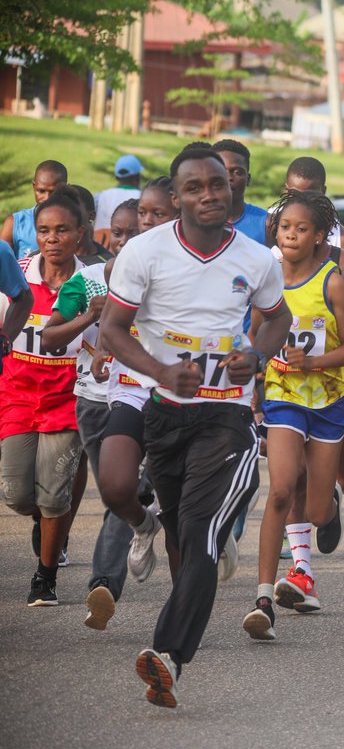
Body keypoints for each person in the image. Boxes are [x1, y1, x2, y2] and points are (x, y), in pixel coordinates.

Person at [103, 146, 291, 707]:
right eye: (195, 188)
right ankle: (182, 623)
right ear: (177, 197)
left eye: (218, 184)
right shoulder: (145, 251)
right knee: (185, 535)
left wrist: (256, 356)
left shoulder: (258, 259)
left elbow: (278, 316)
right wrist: (160, 370)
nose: (210, 194)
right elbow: (114, 330)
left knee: (203, 530)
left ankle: (169, 656)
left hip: (227, 417)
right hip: (165, 413)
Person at [243, 190, 344, 641]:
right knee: (281, 489)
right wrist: (256, 382)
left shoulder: (331, 281)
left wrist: (313, 362)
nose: (291, 234)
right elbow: (256, 338)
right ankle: (264, 599)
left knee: (316, 510)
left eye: (302, 229)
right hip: (284, 395)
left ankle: (327, 506)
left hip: (330, 399)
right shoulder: (266, 277)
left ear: (318, 237)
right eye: (285, 227)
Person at [75, 183, 179, 631]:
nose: (148, 223)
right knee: (119, 490)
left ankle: (179, 604)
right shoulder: (120, 266)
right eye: (145, 216)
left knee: (172, 497)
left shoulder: (192, 263)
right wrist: (101, 350)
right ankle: (137, 535)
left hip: (183, 392)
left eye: (158, 215)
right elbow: (111, 325)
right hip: (129, 388)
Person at [41, 196, 145, 626]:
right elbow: (49, 338)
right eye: (117, 233)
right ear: (106, 236)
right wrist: (87, 317)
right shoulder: (86, 283)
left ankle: (102, 583)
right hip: (96, 401)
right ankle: (143, 523)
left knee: (134, 489)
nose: (124, 242)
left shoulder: (165, 283)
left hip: (149, 400)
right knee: (114, 492)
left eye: (134, 234)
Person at [1, 189, 88, 606]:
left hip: (67, 398)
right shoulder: (16, 273)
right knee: (18, 494)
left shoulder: (91, 282)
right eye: (43, 231)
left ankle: (45, 576)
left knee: (55, 493)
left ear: (80, 234)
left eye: (62, 230)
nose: (51, 239)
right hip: (17, 393)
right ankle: (42, 517)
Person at [2, 160, 68, 259]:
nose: (47, 198)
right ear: (34, 186)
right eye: (41, 191)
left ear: (65, 189)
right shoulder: (16, 223)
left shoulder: (73, 223)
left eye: (53, 192)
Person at [211, 139, 270, 247]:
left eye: (237, 172)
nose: (228, 178)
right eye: (221, 170)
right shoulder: (193, 222)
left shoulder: (266, 223)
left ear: (248, 179)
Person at [94, 154, 143, 248]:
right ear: (137, 177)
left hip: (100, 249)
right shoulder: (142, 197)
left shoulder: (101, 196)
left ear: (116, 177)